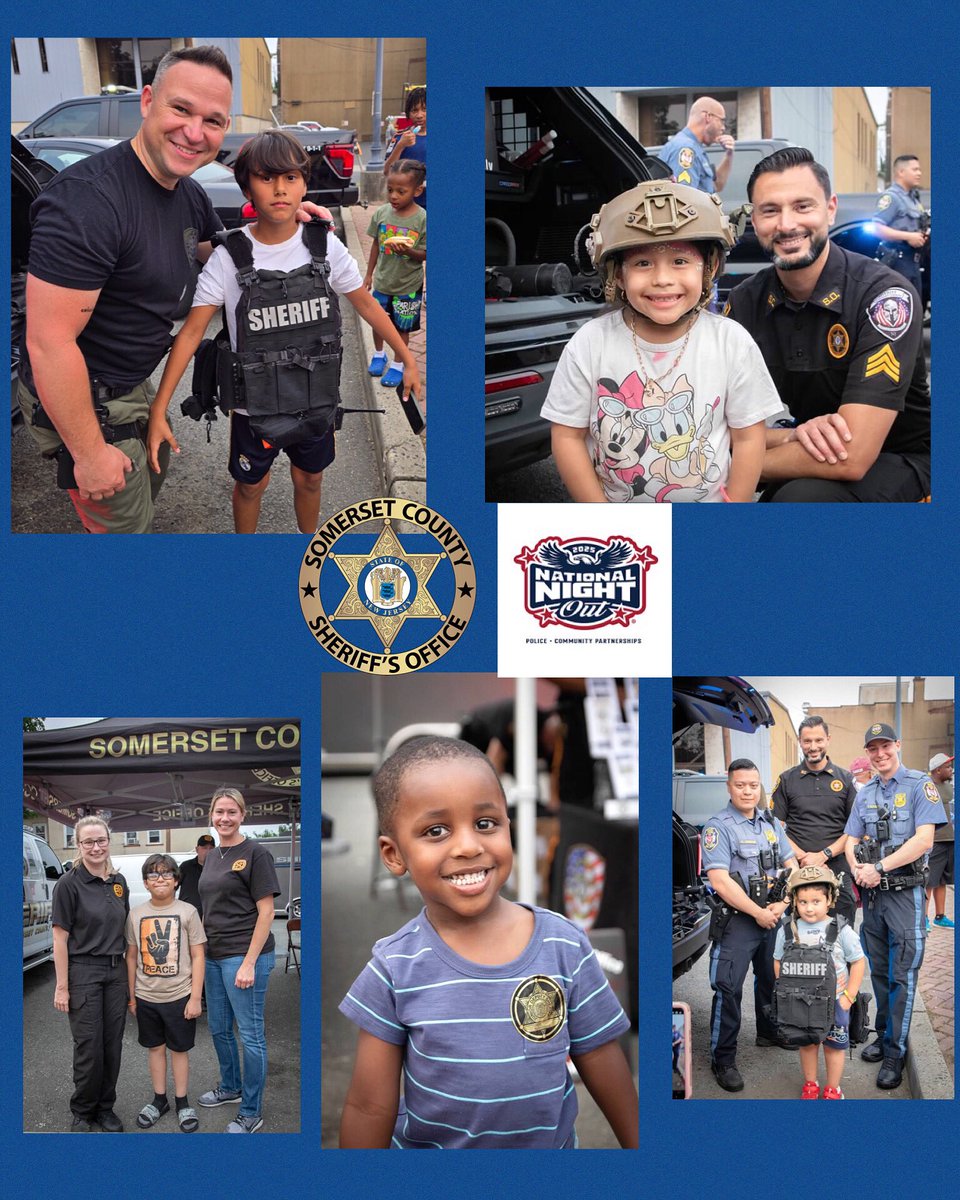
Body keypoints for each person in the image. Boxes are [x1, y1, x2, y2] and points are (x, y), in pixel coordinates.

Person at [339, 736, 638, 1148]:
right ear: (394, 855)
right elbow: (369, 1107)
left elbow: (602, 1057)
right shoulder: (394, 968)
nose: (468, 846)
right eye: (436, 830)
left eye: (485, 823)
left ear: (508, 827)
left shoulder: (563, 944)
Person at [148, 130, 420, 534]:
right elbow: (190, 333)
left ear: (305, 184)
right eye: (266, 177)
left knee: (310, 479)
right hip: (253, 410)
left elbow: (364, 302)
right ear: (247, 187)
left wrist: (407, 357)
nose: (280, 189)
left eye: (291, 178)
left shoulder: (325, 246)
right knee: (250, 486)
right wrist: (159, 409)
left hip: (316, 403)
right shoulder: (228, 257)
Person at [16, 46, 233, 533]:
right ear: (148, 100)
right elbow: (49, 343)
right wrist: (89, 454)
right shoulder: (88, 204)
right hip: (84, 392)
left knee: (148, 482)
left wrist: (288, 227)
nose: (195, 133)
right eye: (181, 109)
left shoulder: (186, 190)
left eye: (212, 120)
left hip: (131, 377)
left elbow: (216, 250)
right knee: (121, 528)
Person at [541, 179, 782, 503]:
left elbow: (750, 438)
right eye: (643, 263)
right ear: (619, 275)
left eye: (680, 261)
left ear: (708, 268)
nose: (663, 279)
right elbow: (567, 436)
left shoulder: (731, 343)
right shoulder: (590, 344)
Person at [725, 146, 930, 502]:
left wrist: (732, 467)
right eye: (770, 210)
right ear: (754, 221)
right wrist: (791, 435)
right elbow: (716, 427)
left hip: (903, 459)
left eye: (803, 206)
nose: (786, 225)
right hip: (808, 448)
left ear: (830, 209)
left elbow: (851, 456)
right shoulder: (744, 302)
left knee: (798, 499)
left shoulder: (885, 297)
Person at [844, 723, 946, 1088]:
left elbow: (924, 840)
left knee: (903, 973)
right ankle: (884, 1034)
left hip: (904, 896)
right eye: (872, 748)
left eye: (885, 745)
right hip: (873, 898)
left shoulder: (920, 785)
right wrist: (857, 868)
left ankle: (895, 1053)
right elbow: (850, 838)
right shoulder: (865, 792)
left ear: (897, 745)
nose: (879, 753)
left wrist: (879, 867)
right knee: (881, 971)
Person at [701, 758, 797, 1092]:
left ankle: (768, 1033)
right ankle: (723, 1059)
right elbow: (720, 881)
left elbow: (792, 865)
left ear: (760, 786)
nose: (747, 791)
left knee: (771, 978)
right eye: (740, 784)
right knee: (728, 989)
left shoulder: (770, 823)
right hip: (739, 921)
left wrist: (782, 904)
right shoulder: (718, 827)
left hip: (772, 915)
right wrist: (757, 912)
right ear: (729, 786)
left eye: (753, 785)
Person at [197, 787, 280, 1132]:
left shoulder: (256, 853)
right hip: (214, 956)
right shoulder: (213, 855)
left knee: (250, 1034)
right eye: (219, 812)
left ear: (243, 815)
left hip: (245, 956)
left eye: (232, 812)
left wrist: (248, 962)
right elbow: (210, 908)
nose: (225, 818)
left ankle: (251, 1110)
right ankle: (230, 1088)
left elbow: (267, 911)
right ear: (211, 816)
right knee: (219, 1029)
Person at [51, 815, 129, 1132]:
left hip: (116, 971)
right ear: (78, 845)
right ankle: (83, 1111)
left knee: (113, 1046)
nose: (96, 847)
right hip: (84, 970)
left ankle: (105, 1108)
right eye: (88, 841)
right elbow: (60, 938)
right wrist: (61, 987)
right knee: (89, 1047)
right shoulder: (68, 885)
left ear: (108, 842)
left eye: (101, 841)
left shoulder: (118, 882)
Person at [125, 854, 206, 1132]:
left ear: (176, 880)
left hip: (180, 996)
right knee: (155, 1048)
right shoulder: (135, 914)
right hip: (147, 997)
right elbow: (132, 956)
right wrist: (132, 995)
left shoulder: (188, 911)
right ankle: (160, 1100)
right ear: (146, 883)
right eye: (153, 874)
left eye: (166, 874)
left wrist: (196, 997)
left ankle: (182, 1101)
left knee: (179, 1050)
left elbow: (198, 955)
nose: (160, 878)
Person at [772, 864, 865, 1099]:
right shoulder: (787, 929)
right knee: (807, 1043)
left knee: (834, 1047)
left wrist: (848, 997)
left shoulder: (841, 930)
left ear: (830, 899)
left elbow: (858, 962)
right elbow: (777, 961)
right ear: (794, 901)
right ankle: (810, 1084)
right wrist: (785, 992)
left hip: (835, 1002)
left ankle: (833, 1088)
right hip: (799, 1003)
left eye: (816, 901)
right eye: (803, 902)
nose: (809, 908)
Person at [771, 715, 857, 926]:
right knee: (799, 935)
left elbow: (854, 829)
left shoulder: (845, 779)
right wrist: (803, 858)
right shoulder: (786, 780)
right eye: (807, 741)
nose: (813, 746)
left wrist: (824, 855)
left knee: (841, 931)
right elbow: (775, 828)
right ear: (800, 742)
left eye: (818, 740)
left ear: (828, 739)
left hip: (837, 867)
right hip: (798, 869)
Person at [363, 159, 427, 388]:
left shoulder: (422, 219)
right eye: (390, 190)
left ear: (417, 190)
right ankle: (379, 355)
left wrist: (409, 251)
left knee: (402, 327)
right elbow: (374, 246)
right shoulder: (381, 213)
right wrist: (369, 275)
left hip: (408, 287)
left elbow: (426, 254)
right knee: (379, 323)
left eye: (401, 191)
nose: (394, 196)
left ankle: (399, 364)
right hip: (382, 282)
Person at [871, 155, 928, 292]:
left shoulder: (913, 198)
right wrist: (908, 236)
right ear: (901, 172)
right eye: (915, 169)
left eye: (919, 170)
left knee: (915, 307)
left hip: (913, 262)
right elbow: (876, 228)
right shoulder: (892, 197)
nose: (919, 173)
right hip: (898, 262)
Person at [656, 97, 735, 195]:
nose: (723, 128)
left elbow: (717, 186)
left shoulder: (695, 148)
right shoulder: (686, 149)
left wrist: (729, 154)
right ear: (708, 117)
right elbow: (684, 200)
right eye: (722, 121)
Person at [383, 86, 426, 209]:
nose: (419, 115)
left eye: (424, 109)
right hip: (407, 205)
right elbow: (387, 171)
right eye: (414, 110)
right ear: (408, 113)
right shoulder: (399, 137)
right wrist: (401, 145)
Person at [926, 752, 955, 930]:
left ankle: (940, 916)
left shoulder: (949, 787)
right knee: (930, 881)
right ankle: (924, 919)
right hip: (935, 841)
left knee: (943, 881)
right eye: (948, 767)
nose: (951, 770)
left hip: (950, 839)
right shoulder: (928, 786)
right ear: (937, 770)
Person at [178, 833, 215, 916]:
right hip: (187, 914)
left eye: (211, 848)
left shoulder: (219, 868)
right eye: (204, 848)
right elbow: (172, 887)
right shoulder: (185, 866)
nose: (208, 851)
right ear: (197, 849)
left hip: (212, 916)